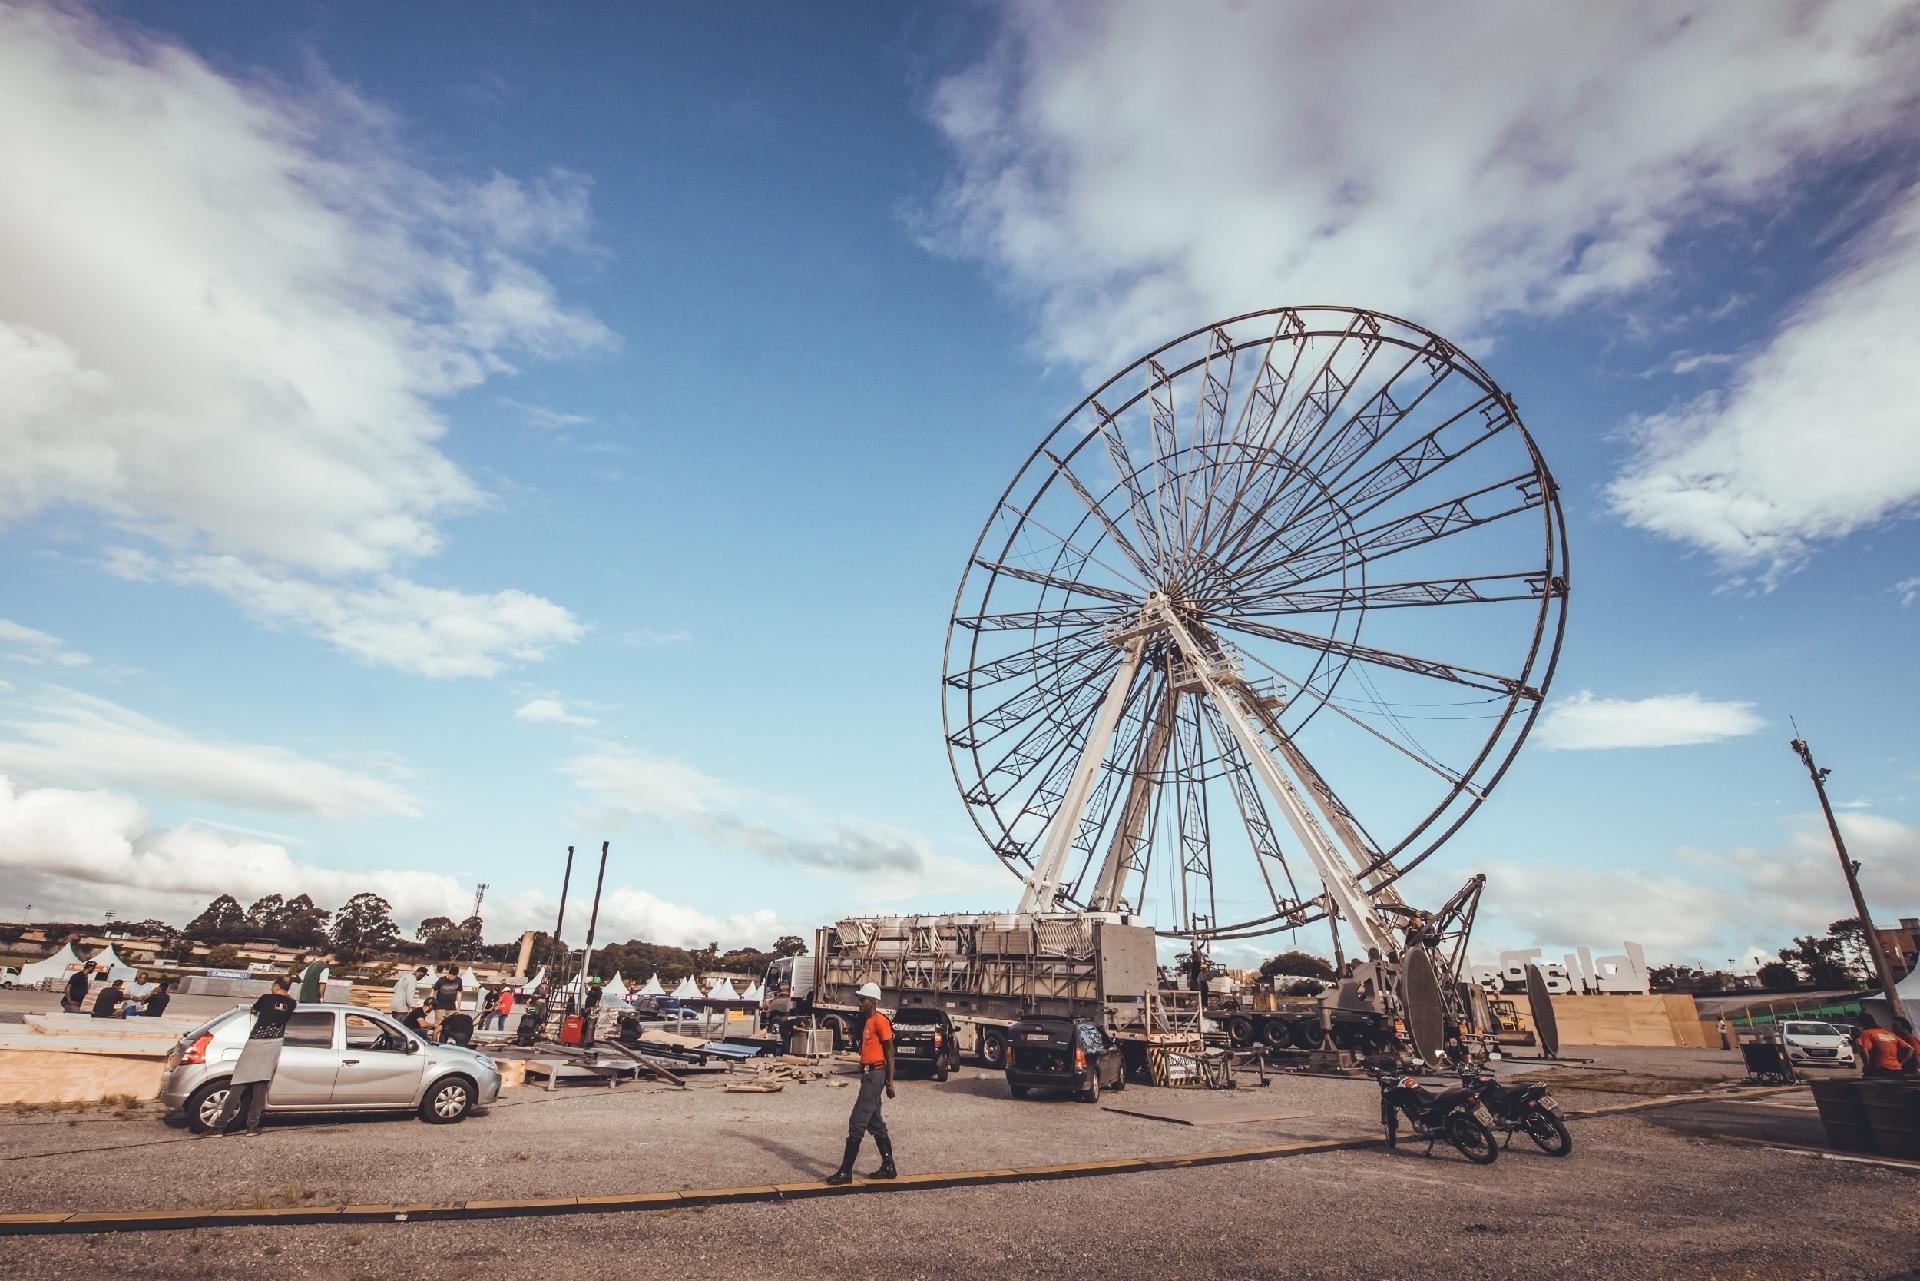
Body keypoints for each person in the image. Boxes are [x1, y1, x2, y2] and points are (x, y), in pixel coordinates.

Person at [826, 982, 896, 1185]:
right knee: (875, 1123)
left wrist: (890, 1082)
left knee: (856, 1121)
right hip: (868, 1075)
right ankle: (888, 1166)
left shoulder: (880, 1021)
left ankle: (846, 1171)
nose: (859, 1002)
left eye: (862, 999)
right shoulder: (867, 1021)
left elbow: (890, 1052)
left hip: (876, 1075)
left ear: (872, 1002)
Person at [215, 976, 296, 1136]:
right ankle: (252, 1127)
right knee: (260, 1086)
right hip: (274, 1044)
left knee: (238, 1086)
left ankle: (220, 1127)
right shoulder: (292, 1004)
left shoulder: (265, 999)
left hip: (256, 1043)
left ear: (275, 985)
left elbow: (254, 1010)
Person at [1856, 1012, 1909, 1079]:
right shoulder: (1888, 1032)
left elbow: (1863, 1050)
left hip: (1880, 1070)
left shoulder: (1866, 1033)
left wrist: (1867, 1067)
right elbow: (1910, 1049)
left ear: (1862, 1024)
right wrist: (1901, 1064)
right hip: (1896, 1069)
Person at [429, 965, 462, 1030]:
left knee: (449, 1026)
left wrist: (459, 1006)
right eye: (451, 976)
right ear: (448, 973)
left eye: (454, 977)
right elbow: (433, 989)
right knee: (439, 1025)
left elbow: (459, 992)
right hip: (440, 1006)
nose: (452, 978)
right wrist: (430, 1000)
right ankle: (436, 1039)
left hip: (451, 1006)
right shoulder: (442, 980)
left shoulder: (459, 980)